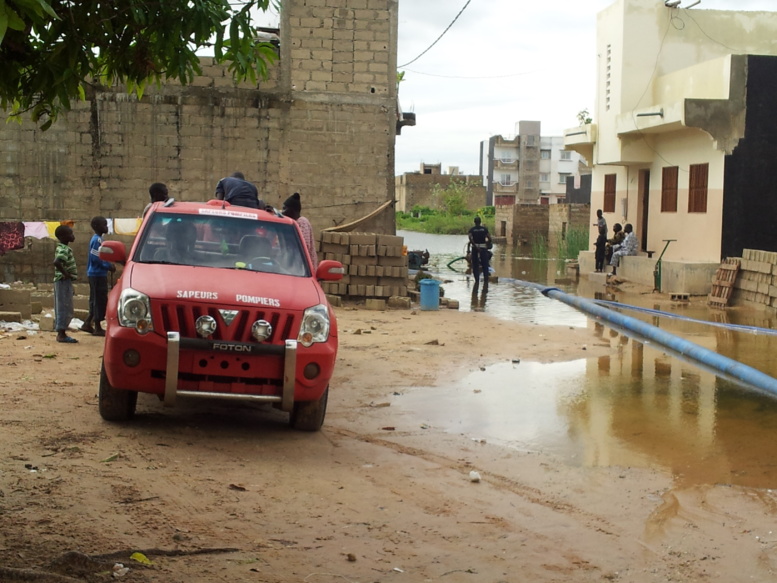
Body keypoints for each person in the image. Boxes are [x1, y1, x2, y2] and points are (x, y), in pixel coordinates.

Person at [80, 217, 115, 336]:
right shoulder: (97, 241)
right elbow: (96, 258)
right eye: (104, 225)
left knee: (97, 299)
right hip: (97, 274)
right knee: (98, 300)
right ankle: (97, 326)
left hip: (98, 274)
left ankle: (88, 323)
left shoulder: (99, 239)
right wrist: (108, 266)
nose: (106, 227)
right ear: (97, 227)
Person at [52, 224, 78, 343]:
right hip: (62, 280)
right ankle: (61, 334)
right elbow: (57, 262)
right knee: (64, 306)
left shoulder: (64, 248)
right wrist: (66, 274)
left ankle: (62, 329)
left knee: (66, 306)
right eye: (70, 234)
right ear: (63, 237)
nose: (73, 236)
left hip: (64, 281)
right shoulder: (63, 249)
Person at [282, 192, 318, 268]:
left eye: (285, 208)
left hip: (304, 268)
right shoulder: (294, 223)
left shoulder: (302, 222)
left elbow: (303, 246)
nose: (282, 212)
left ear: (292, 210)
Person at [468, 216, 492, 288]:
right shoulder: (484, 229)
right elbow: (490, 238)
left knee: (475, 265)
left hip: (475, 248)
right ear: (480, 222)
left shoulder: (472, 230)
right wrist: (486, 244)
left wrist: (475, 246)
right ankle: (486, 282)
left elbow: (470, 239)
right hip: (483, 247)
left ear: (474, 222)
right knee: (485, 264)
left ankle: (477, 281)